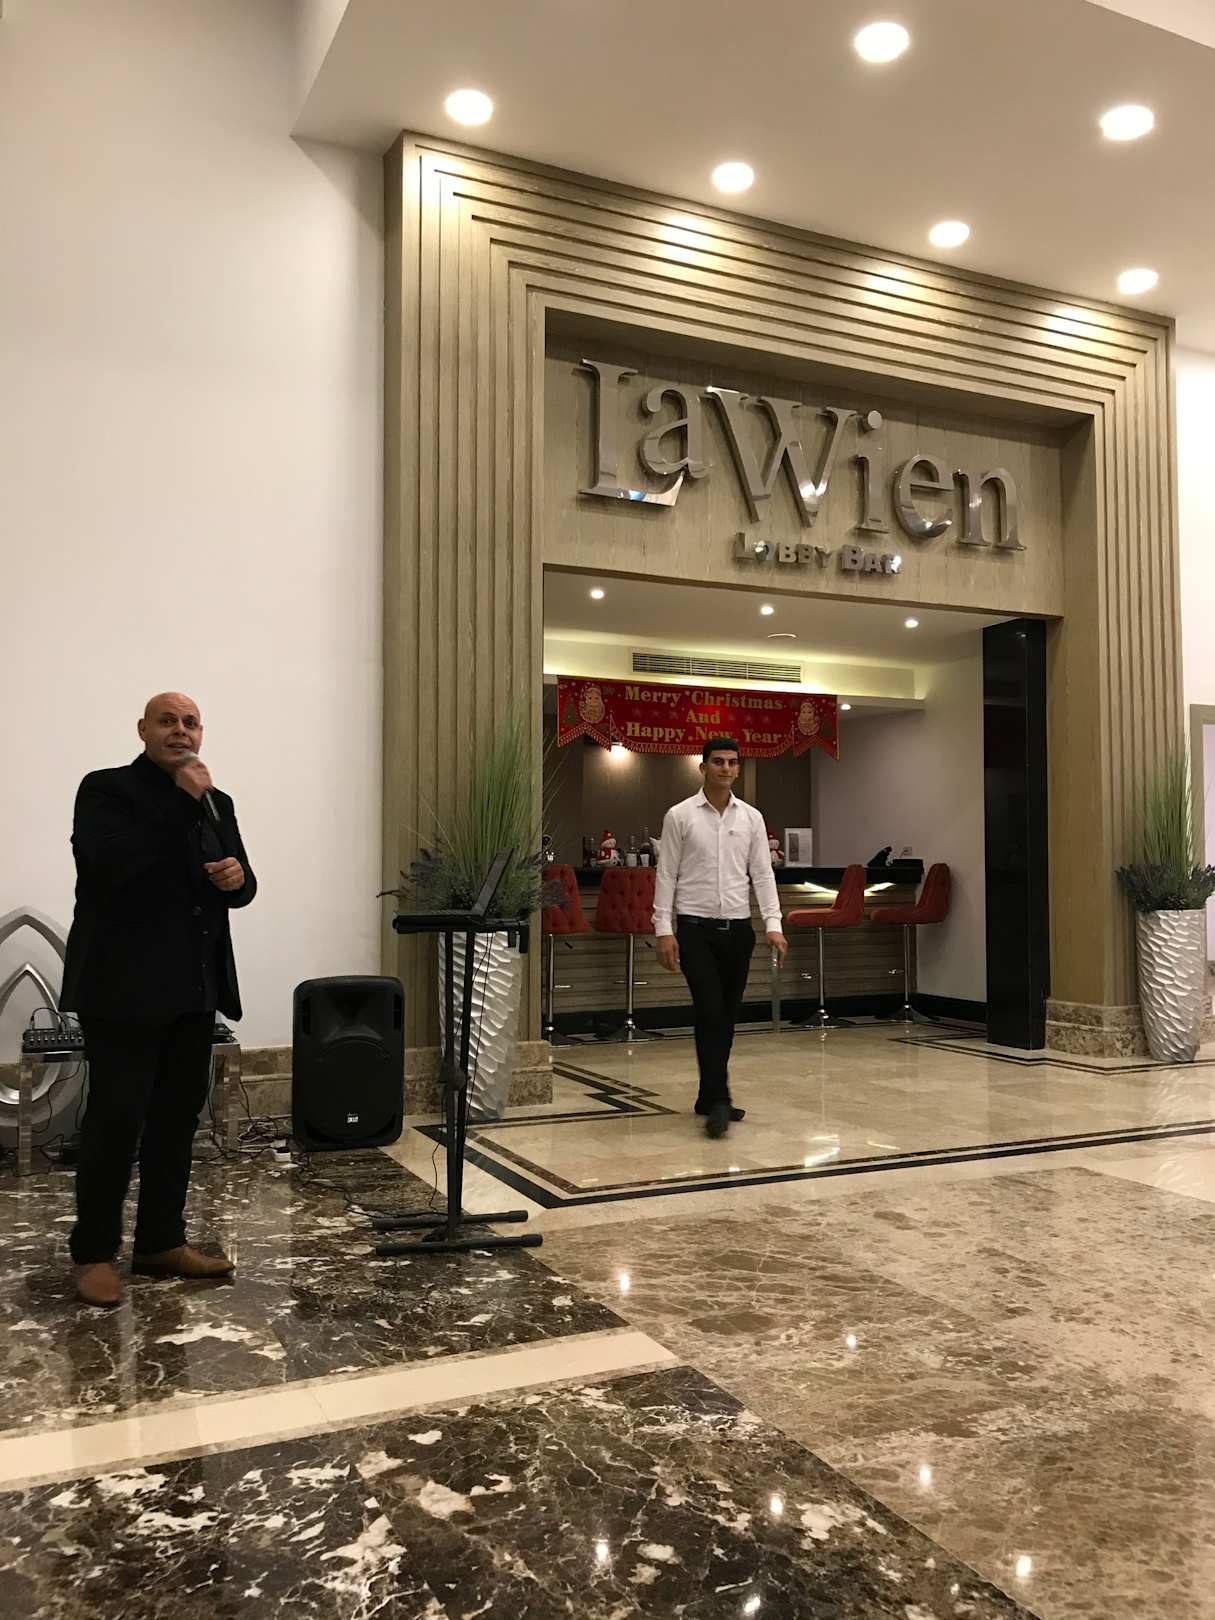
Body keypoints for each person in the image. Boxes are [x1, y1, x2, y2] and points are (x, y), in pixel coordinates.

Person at [60, 692, 257, 1307]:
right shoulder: (107, 790)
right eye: (167, 721)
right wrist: (182, 801)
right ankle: (93, 1252)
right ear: (143, 729)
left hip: (193, 988)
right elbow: (111, 866)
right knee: (116, 1118)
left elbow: (240, 882)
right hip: (122, 988)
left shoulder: (216, 801)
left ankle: (160, 1241)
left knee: (177, 1117)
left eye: (190, 722)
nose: (180, 731)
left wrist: (238, 879)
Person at [653, 738, 788, 1138]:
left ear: (738, 768)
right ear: (703, 767)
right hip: (695, 929)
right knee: (710, 1010)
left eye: (732, 762)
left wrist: (773, 923)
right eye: (718, 762)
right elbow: (667, 874)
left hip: (738, 930)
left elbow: (762, 873)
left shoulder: (751, 818)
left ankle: (706, 1095)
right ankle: (719, 1100)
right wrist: (663, 929)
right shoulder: (680, 816)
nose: (726, 768)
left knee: (725, 1016)